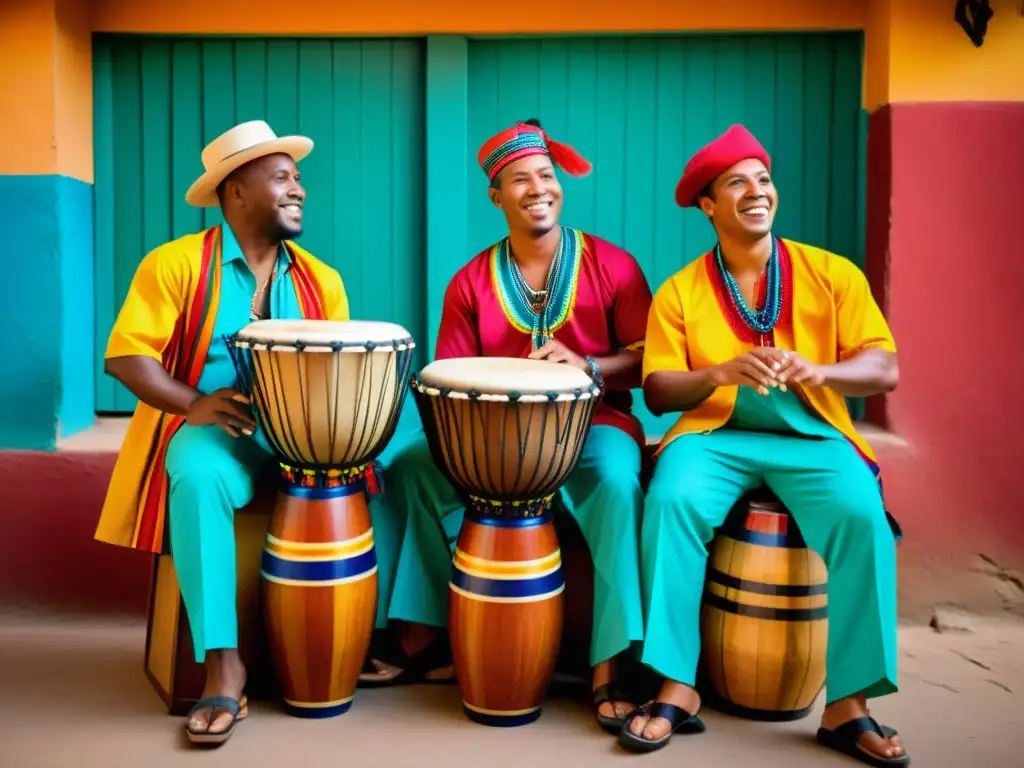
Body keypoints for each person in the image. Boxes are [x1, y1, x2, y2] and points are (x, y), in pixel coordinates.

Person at [93, 120, 404, 746]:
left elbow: (341, 369)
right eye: (284, 178)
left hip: (308, 432)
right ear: (236, 191)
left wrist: (348, 434)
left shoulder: (323, 280)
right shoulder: (176, 263)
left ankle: (367, 635)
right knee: (197, 473)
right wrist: (193, 403)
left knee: (405, 449)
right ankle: (223, 665)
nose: (300, 191)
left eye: (298, 179)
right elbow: (127, 357)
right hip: (223, 430)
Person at [621, 123, 909, 766]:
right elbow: (659, 392)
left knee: (863, 517)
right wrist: (719, 374)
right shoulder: (680, 290)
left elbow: (883, 366)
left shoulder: (831, 272)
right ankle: (676, 685)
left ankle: (848, 706)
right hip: (714, 435)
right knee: (670, 502)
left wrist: (822, 371)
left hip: (814, 435)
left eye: (764, 179)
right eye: (737, 183)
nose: (757, 192)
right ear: (708, 206)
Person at [360, 119, 653, 734]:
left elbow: (652, 357)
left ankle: (611, 662)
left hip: (594, 425)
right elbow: (450, 377)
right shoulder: (470, 281)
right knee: (408, 467)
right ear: (497, 196)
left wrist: (591, 364)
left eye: (546, 176)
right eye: (520, 180)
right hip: (493, 436)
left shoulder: (614, 266)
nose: (537, 189)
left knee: (619, 485)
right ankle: (427, 637)